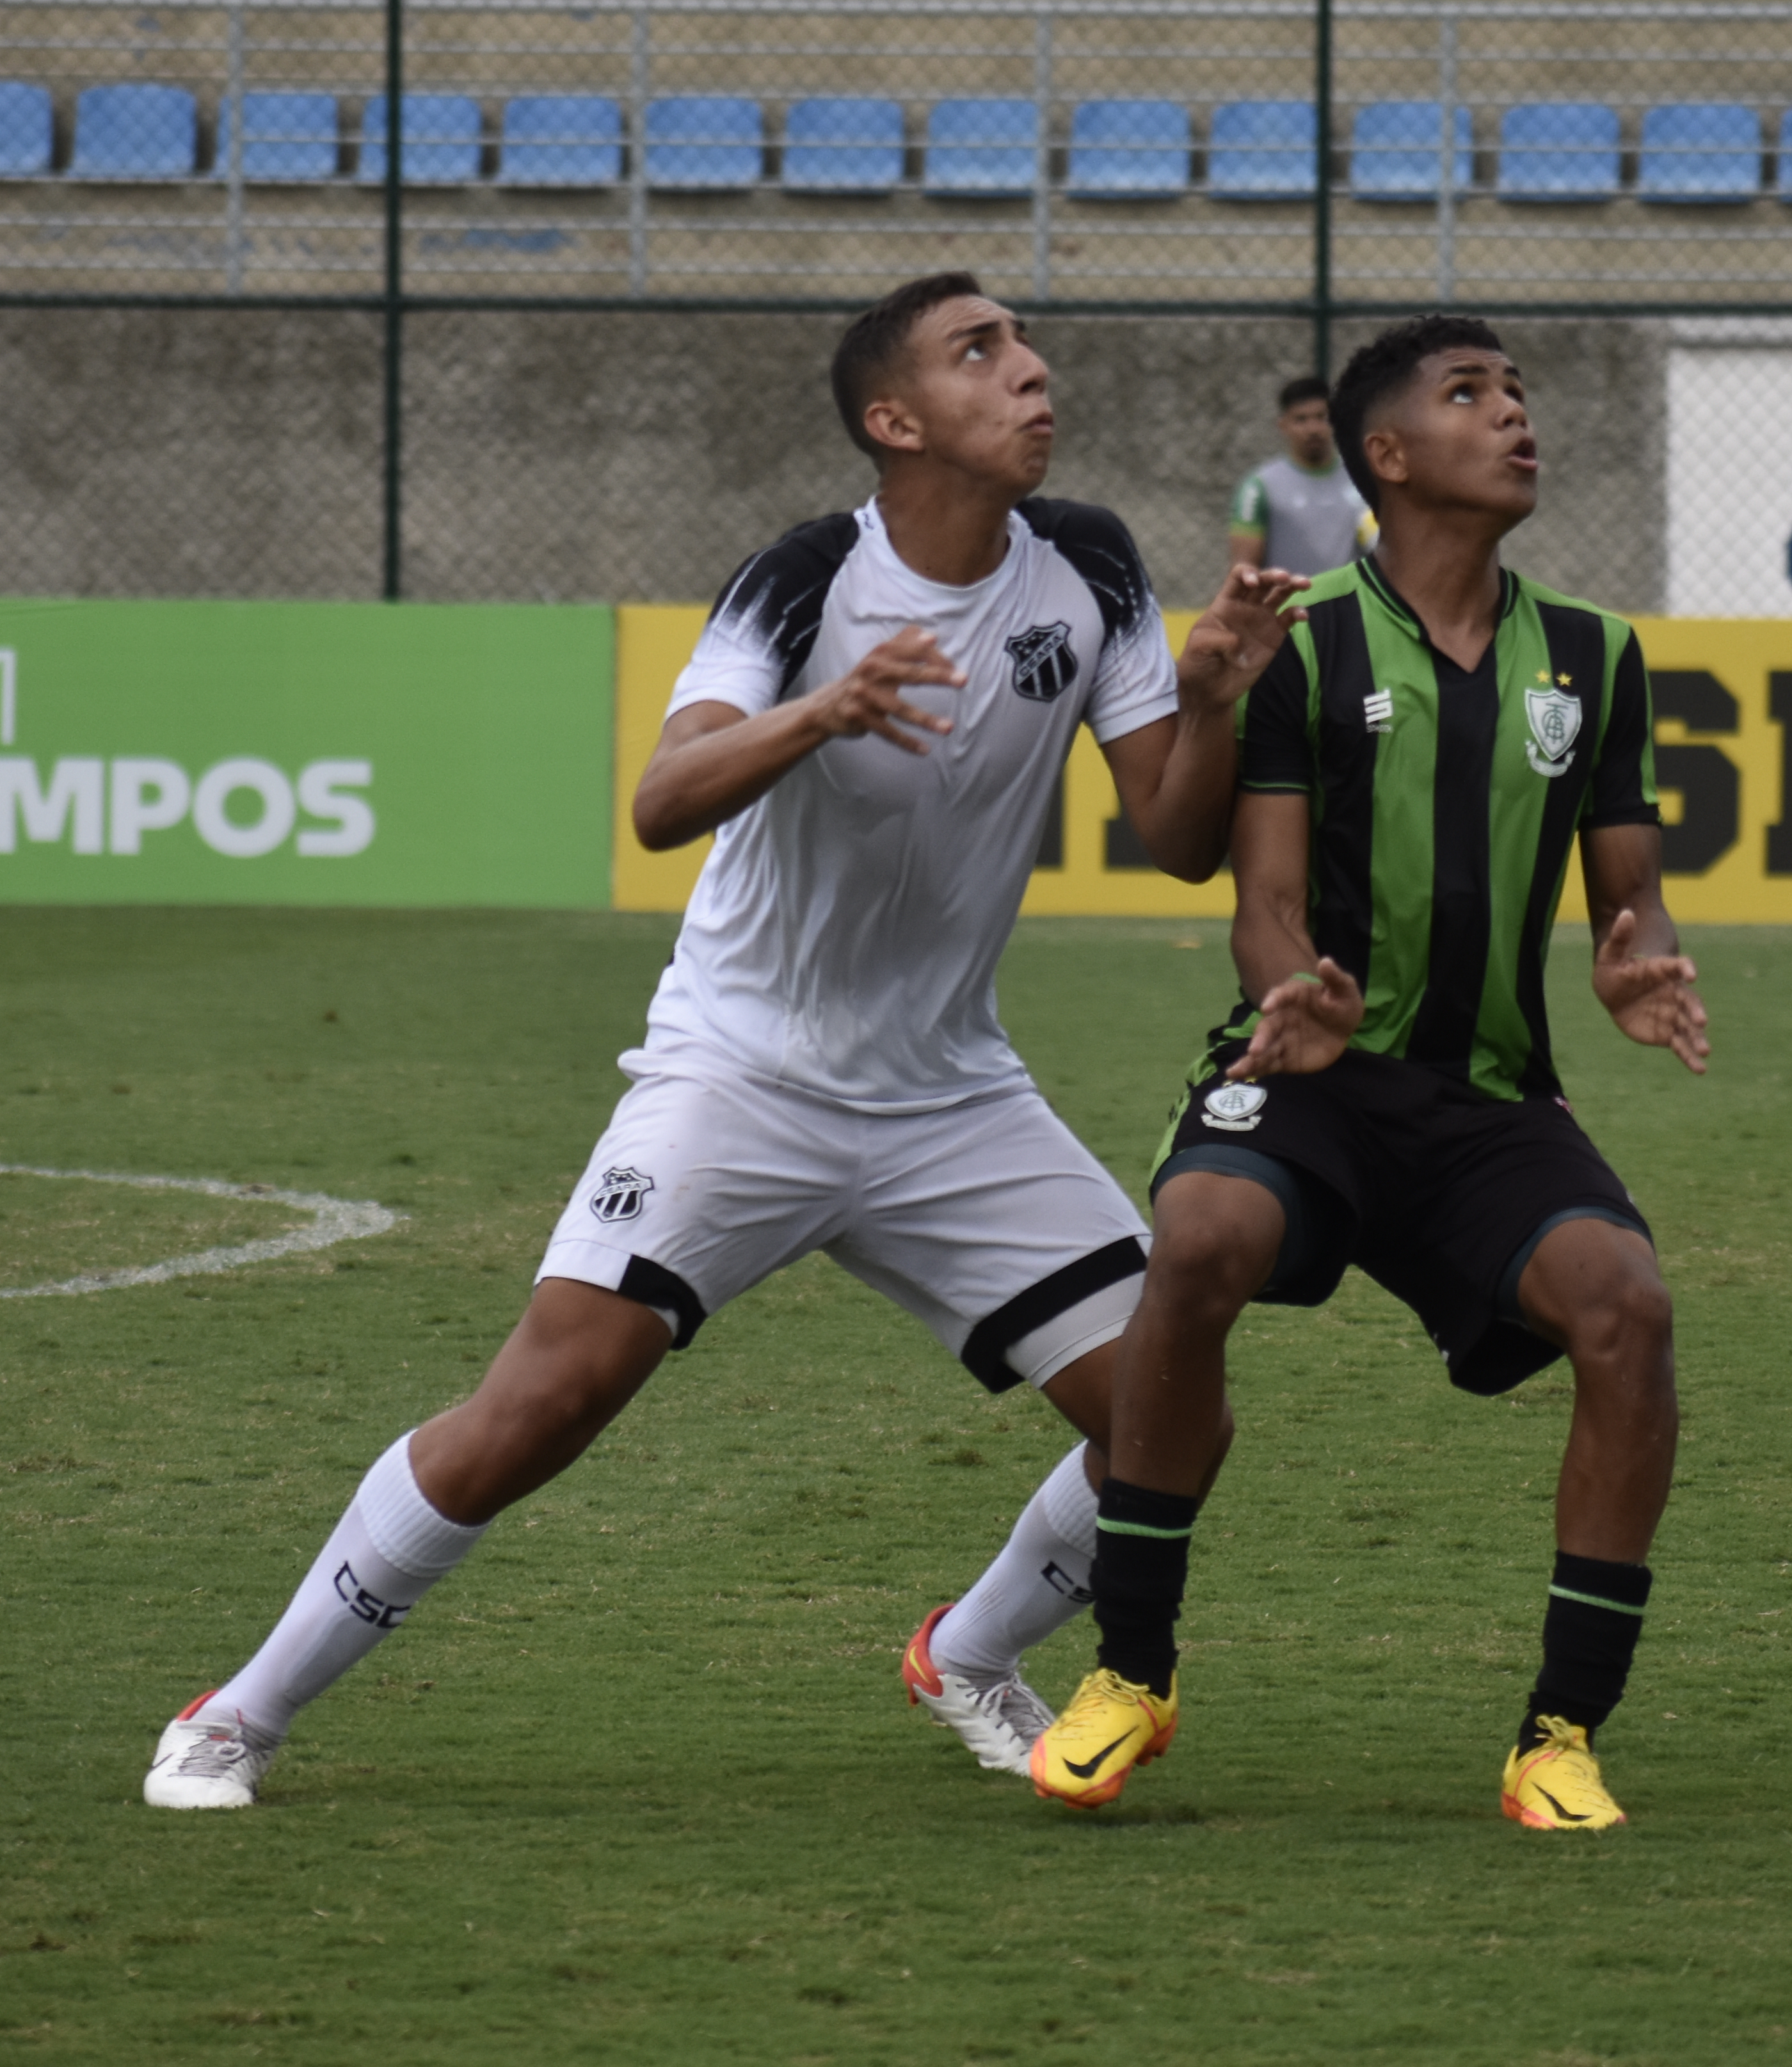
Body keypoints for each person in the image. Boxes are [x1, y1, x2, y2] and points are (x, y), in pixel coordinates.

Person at [143, 274, 1304, 1810]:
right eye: (983, 353)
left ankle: (968, 1651)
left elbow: (1171, 834)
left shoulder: (1085, 560)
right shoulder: (803, 579)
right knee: (541, 1405)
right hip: (741, 1075)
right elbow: (663, 797)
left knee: (1176, 1409)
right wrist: (821, 713)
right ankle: (237, 1711)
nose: (1031, 371)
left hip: (952, 1096)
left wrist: (1211, 695)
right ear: (894, 421)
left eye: (1024, 344)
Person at [1023, 314, 1709, 1835]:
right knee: (1198, 1239)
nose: (1516, 414)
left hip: (1486, 1104)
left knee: (1630, 1307)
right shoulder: (1303, 638)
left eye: (1522, 391)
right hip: (1312, 1073)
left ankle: (1560, 1730)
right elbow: (1257, 894)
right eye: (1473, 394)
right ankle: (1132, 1669)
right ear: (1384, 454)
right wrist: (1293, 992)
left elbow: (1629, 889)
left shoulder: (1595, 652)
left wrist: (1628, 955)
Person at [1228, 375, 1373, 580]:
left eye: (1321, 417)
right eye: (1301, 420)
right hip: (1287, 608)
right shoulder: (1259, 487)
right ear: (1283, 425)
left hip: (1351, 607)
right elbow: (1245, 569)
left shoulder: (1364, 477)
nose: (1313, 429)